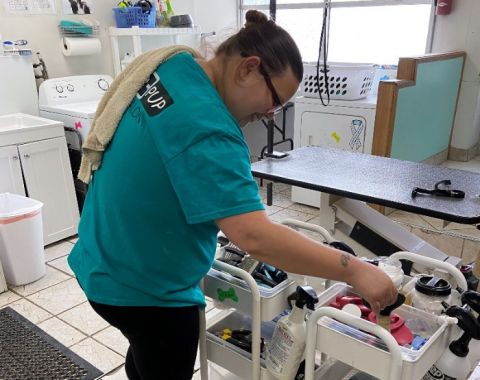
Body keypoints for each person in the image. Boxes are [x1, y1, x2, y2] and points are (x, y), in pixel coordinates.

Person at [68, 9, 397, 380]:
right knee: (160, 351)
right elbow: (254, 235)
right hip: (144, 289)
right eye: (274, 99)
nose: (271, 114)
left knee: (145, 350)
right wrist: (355, 270)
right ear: (248, 68)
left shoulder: (176, 66)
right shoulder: (208, 128)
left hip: (101, 255)